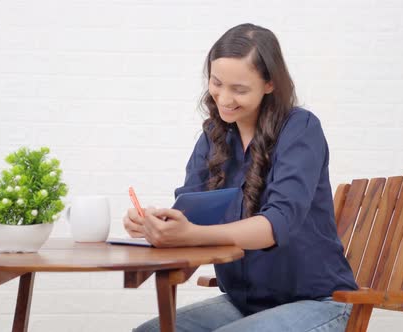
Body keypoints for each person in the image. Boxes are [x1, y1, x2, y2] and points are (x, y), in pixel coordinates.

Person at [123, 23, 358, 332]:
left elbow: (277, 224)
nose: (223, 98)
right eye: (217, 83)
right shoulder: (213, 136)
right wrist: (157, 224)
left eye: (240, 89)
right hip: (245, 303)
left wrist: (190, 233)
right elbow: (190, 214)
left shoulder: (300, 129)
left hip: (318, 302)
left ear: (270, 84)